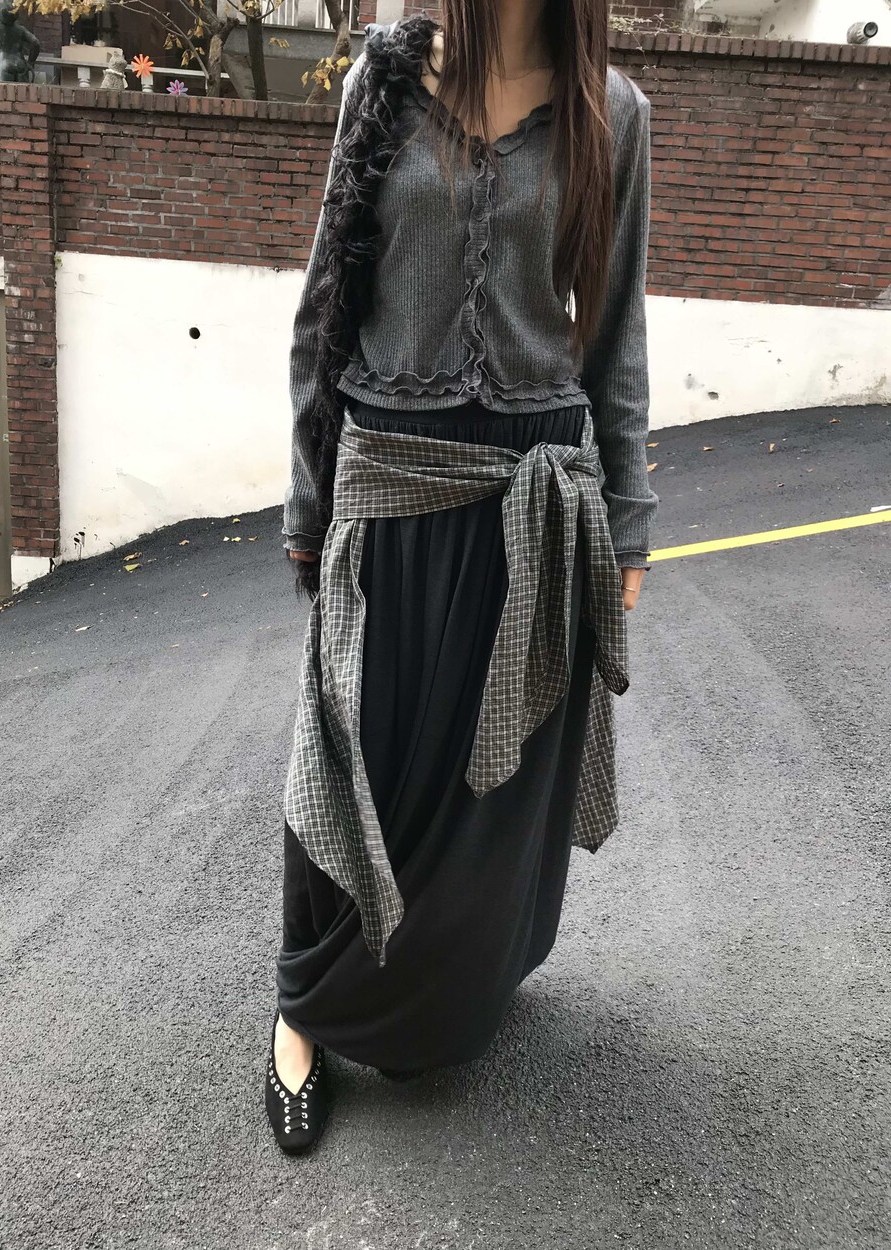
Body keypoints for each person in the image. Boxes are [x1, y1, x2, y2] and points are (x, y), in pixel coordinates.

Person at [265, 0, 658, 1155]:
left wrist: (628, 525)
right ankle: (303, 1008)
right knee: (352, 756)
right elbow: (326, 305)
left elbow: (614, 332)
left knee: (488, 802)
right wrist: (307, 494)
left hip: (535, 504)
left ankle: (442, 989)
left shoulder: (611, 114)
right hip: (390, 485)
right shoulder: (383, 84)